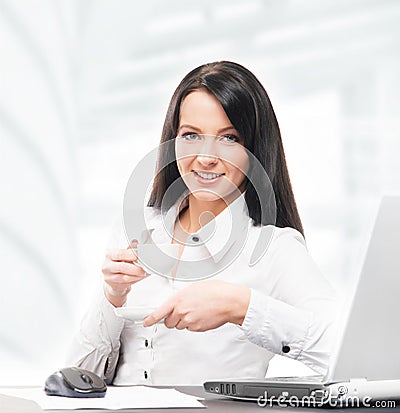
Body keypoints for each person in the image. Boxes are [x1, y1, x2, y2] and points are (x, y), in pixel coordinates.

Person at [67, 61, 338, 385]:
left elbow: (344, 350)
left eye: (229, 138)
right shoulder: (135, 231)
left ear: (254, 149)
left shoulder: (272, 249)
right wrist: (112, 296)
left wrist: (240, 306)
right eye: (191, 135)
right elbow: (78, 379)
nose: (207, 157)